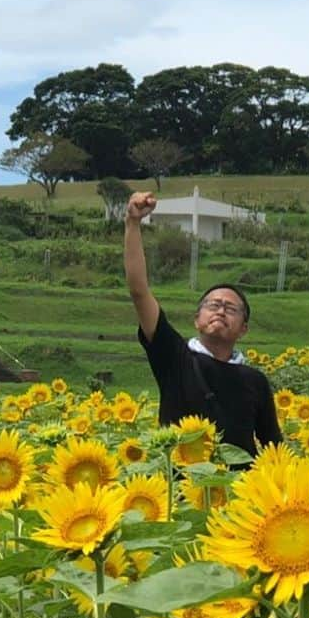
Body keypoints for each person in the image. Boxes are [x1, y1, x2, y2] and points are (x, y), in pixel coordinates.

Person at [124, 191, 282, 456]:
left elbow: (273, 448)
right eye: (213, 305)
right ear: (196, 320)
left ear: (244, 328)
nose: (221, 310)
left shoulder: (255, 381)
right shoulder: (176, 358)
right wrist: (132, 223)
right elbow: (139, 291)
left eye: (231, 308)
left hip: (238, 491)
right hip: (183, 491)